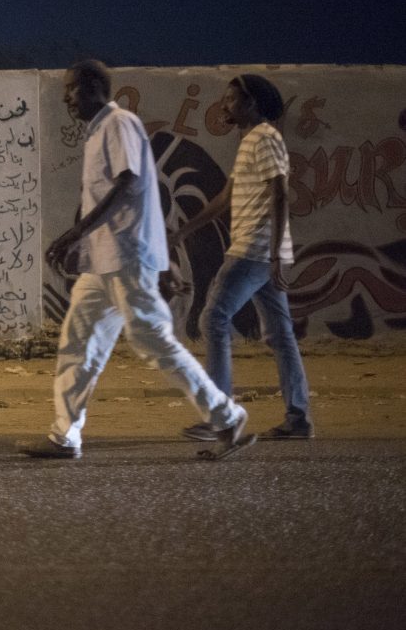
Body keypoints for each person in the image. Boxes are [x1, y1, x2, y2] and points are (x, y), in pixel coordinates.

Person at [21, 60, 255, 460]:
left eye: (72, 88)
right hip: (102, 264)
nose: (66, 97)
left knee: (154, 341)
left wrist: (75, 233)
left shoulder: (119, 123)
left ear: (96, 86)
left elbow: (129, 183)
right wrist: (85, 243)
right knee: (78, 344)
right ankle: (65, 436)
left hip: (128, 259)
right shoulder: (96, 132)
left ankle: (226, 416)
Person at [172, 74, 313, 440]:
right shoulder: (251, 140)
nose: (224, 104)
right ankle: (298, 419)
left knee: (213, 320)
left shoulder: (264, 138)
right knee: (281, 335)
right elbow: (225, 198)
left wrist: (275, 255)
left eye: (232, 99)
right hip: (263, 252)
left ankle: (222, 416)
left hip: (253, 250)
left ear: (251, 103)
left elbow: (280, 192)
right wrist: (184, 232)